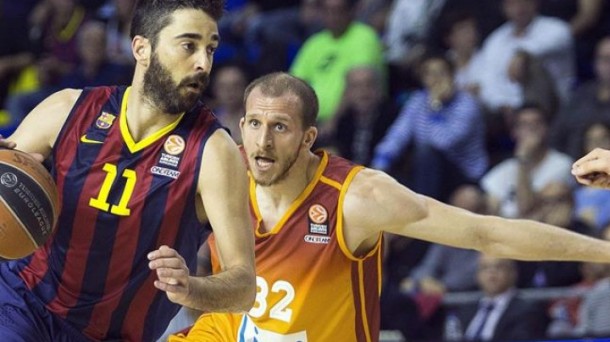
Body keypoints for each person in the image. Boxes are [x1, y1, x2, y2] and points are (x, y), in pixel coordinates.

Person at [167, 72, 610, 342]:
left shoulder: (358, 198)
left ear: (307, 139)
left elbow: (487, 233)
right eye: (256, 125)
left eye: (279, 127)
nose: (263, 142)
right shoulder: (218, 173)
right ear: (241, 126)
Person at [0, 1, 256, 341]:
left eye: (210, 49)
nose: (203, 63)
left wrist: (191, 288)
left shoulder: (214, 152)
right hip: (25, 304)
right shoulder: (69, 109)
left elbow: (244, 286)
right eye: (188, 45)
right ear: (142, 48)